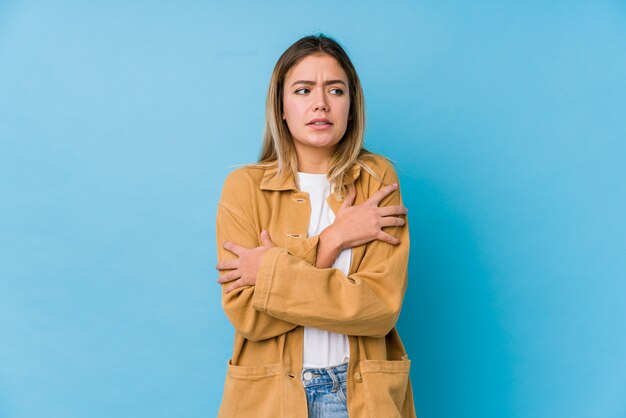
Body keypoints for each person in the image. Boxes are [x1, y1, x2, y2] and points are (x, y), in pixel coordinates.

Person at [214, 34, 416, 417]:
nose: (320, 103)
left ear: (351, 106)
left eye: (335, 90)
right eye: (303, 90)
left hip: (361, 397)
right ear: (282, 107)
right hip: (270, 400)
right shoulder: (244, 188)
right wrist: (333, 240)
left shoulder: (376, 179)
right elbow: (249, 316)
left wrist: (270, 270)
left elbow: (378, 308)